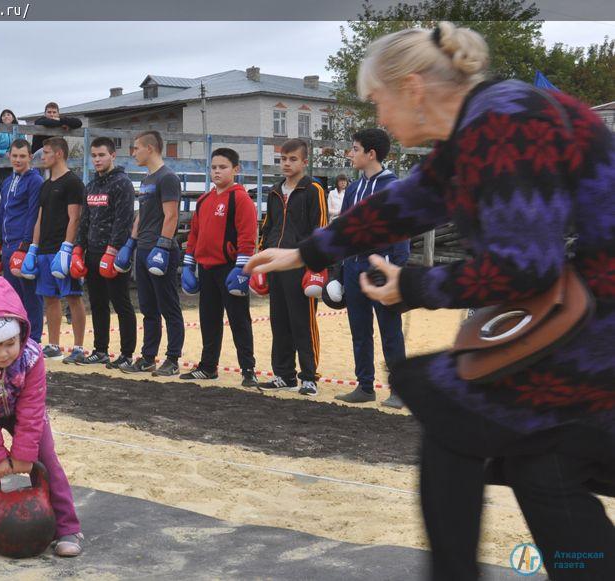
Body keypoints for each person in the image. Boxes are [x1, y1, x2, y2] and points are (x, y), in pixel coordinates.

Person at [246, 22, 614, 580]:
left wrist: (414, 287)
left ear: (412, 87)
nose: (379, 120)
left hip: (600, 314)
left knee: (459, 416)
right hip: (595, 310)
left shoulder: (504, 122)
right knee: (544, 464)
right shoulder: (482, 126)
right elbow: (402, 207)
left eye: (377, 101)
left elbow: (523, 268)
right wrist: (305, 252)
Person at [0, 276, 82, 559]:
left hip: (24, 410)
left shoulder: (32, 356)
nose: (3, 354)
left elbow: (33, 406)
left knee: (47, 460)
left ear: (20, 334)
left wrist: (24, 453)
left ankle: (67, 527)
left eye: (10, 343)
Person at [332, 129, 409, 409]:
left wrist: (396, 271)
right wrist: (339, 273)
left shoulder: (393, 187)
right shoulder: (352, 188)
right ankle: (365, 386)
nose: (350, 154)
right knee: (359, 330)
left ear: (371, 154)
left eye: (354, 149)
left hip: (381, 268)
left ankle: (400, 391)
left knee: (390, 330)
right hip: (353, 268)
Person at [180, 147, 258, 387]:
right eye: (213, 167)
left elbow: (248, 236)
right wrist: (188, 264)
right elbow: (194, 235)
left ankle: (248, 369)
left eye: (222, 167)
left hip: (231, 269)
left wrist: (243, 269)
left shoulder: (240, 198)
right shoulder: (204, 200)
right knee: (209, 319)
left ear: (236, 169)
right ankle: (208, 366)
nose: (217, 171)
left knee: (239, 319)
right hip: (206, 269)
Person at [256, 138, 328, 396]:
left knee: (303, 323)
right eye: (283, 159)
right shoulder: (274, 190)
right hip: (276, 264)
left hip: (301, 265)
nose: (287, 163)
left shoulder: (314, 190)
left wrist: (315, 266)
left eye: (292, 159)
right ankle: (283, 375)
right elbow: (268, 227)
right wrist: (262, 259)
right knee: (279, 321)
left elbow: (320, 229)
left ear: (305, 162)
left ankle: (309, 377)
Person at [114, 131, 185, 376]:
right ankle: (148, 357)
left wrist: (163, 246)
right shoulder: (146, 180)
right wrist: (130, 243)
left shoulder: (168, 178)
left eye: (136, 148)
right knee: (147, 308)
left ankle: (173, 358)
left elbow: (172, 215)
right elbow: (142, 214)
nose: (133, 153)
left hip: (160, 250)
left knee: (169, 306)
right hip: (143, 248)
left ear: (150, 149)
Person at [20, 137, 87, 363]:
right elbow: (39, 218)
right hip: (44, 249)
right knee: (49, 297)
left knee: (73, 296)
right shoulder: (45, 184)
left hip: (62, 248)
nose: (43, 156)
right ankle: (54, 344)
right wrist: (33, 248)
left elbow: (74, 218)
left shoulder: (73, 183)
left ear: (58, 154)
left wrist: (67, 248)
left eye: (47, 152)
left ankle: (78, 347)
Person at [74, 136, 137, 368]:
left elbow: (124, 220)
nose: (97, 159)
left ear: (113, 155)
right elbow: (84, 220)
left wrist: (112, 251)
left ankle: (127, 354)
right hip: (92, 251)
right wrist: (78, 247)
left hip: (114, 254)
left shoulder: (122, 183)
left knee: (121, 303)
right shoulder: (91, 185)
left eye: (102, 155)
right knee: (98, 303)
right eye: (94, 155)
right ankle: (100, 350)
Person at [0, 139, 44, 343]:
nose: (18, 160)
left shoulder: (35, 181)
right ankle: (18, 335)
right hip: (7, 245)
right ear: (9, 156)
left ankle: (34, 339)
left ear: (30, 157)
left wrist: (26, 246)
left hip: (23, 245)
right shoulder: (7, 181)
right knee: (11, 295)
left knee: (31, 294)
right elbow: (2, 212)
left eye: (22, 156)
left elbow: (33, 214)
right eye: (15, 156)